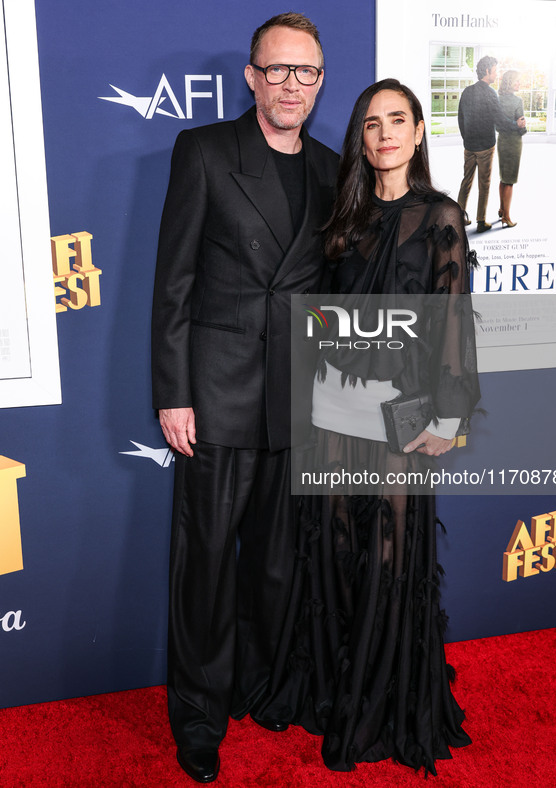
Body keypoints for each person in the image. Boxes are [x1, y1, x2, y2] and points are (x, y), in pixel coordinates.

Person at [256, 79, 480, 776]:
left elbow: (451, 323)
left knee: (388, 559)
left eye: (397, 120)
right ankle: (333, 691)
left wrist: (448, 415)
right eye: (371, 123)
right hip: (330, 414)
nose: (384, 133)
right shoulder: (342, 218)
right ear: (360, 137)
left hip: (401, 423)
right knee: (336, 559)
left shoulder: (440, 216)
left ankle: (381, 705)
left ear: (417, 132)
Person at [151, 12, 338, 783]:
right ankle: (198, 711)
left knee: (275, 566)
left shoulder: (332, 169)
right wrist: (174, 391)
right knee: (206, 567)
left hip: (300, 401)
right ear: (252, 77)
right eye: (278, 70)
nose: (291, 85)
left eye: (307, 72)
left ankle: (262, 686)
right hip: (217, 396)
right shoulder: (203, 150)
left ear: (318, 82)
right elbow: (174, 282)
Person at [457, 55, 526, 233]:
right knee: (484, 184)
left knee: (466, 181)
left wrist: (466, 139)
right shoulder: (490, 93)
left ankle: (458, 217)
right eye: (495, 71)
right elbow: (500, 120)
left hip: (469, 146)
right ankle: (481, 222)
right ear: (487, 71)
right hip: (486, 147)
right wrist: (516, 125)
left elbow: (461, 118)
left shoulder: (467, 91)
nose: (496, 74)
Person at [497, 70, 526, 227]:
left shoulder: (497, 99)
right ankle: (506, 217)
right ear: (510, 82)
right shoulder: (517, 101)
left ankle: (502, 209)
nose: (519, 84)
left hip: (501, 141)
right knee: (510, 181)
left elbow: (497, 124)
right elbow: (520, 122)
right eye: (517, 81)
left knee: (503, 178)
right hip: (514, 142)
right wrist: (522, 128)